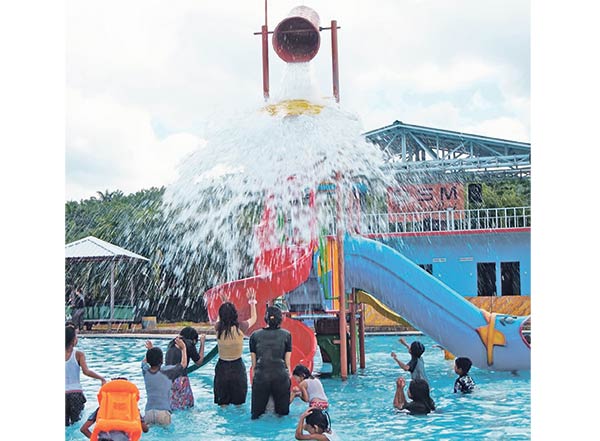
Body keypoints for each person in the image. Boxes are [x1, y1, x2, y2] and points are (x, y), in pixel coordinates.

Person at [213, 287, 257, 406]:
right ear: (235, 314)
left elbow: (219, 318)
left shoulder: (218, 328)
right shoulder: (240, 327)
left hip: (222, 368)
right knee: (239, 405)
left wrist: (224, 303)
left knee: (222, 405)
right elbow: (254, 318)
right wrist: (252, 302)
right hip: (237, 368)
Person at [249, 305, 292, 419]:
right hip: (280, 376)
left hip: (261, 376)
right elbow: (287, 362)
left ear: (266, 319)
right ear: (280, 319)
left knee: (256, 415)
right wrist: (289, 375)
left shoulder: (254, 335)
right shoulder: (287, 335)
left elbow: (253, 364)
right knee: (282, 414)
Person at [80, 378, 150, 440]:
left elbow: (84, 429)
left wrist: (95, 439)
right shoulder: (133, 410)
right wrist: (146, 424)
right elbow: (145, 430)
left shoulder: (102, 409)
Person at [65, 324, 106, 426]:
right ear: (73, 339)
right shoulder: (78, 354)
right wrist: (101, 378)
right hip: (75, 394)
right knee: (76, 424)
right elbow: (86, 371)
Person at [141, 338, 187, 426]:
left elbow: (144, 362)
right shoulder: (168, 371)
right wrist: (183, 348)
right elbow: (183, 364)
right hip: (163, 412)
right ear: (162, 361)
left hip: (148, 413)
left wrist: (150, 350)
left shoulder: (145, 371)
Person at [165, 326, 206, 409]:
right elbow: (199, 361)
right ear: (193, 339)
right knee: (188, 406)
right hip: (181, 380)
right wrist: (202, 343)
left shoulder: (172, 343)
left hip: (168, 380)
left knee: (173, 406)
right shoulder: (188, 344)